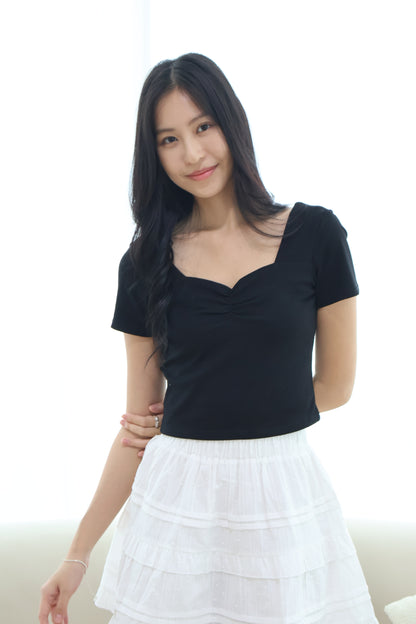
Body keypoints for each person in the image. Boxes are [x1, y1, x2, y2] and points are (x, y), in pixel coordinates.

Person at [39, 52, 379, 624]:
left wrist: (211, 412)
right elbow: (137, 429)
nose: (192, 154)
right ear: (154, 154)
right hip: (177, 506)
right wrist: (77, 556)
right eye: (169, 140)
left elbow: (337, 386)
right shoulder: (143, 263)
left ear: (232, 123)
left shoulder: (316, 234)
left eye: (203, 127)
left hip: (282, 496)